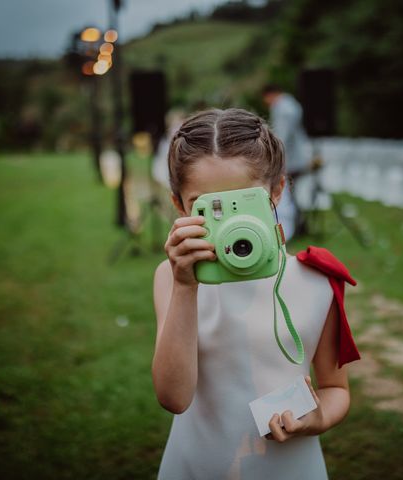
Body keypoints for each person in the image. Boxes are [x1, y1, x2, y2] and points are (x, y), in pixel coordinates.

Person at [152, 108, 358, 479]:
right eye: (208, 208)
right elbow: (174, 397)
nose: (230, 223)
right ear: (179, 205)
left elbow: (335, 388)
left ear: (277, 191)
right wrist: (185, 286)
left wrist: (317, 417)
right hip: (195, 467)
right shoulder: (171, 278)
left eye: (242, 202)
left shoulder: (316, 279)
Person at [262, 84, 311, 240]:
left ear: (270, 95)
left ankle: (296, 227)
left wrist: (273, 155)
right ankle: (299, 225)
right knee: (293, 194)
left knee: (290, 195)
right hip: (295, 157)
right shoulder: (290, 104)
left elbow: (282, 136)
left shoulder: (283, 108)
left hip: (292, 159)